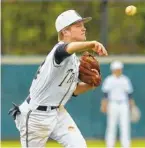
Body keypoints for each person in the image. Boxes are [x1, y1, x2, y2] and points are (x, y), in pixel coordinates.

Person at [9, 10, 108, 148]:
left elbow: (72, 90)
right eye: (78, 26)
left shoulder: (73, 60)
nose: (84, 28)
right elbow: (66, 49)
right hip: (36, 116)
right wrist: (92, 44)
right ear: (65, 31)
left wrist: (91, 85)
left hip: (58, 112)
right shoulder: (59, 52)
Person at [101, 60, 136, 148]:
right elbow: (105, 94)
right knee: (111, 126)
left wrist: (132, 106)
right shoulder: (109, 80)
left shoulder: (125, 79)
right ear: (112, 69)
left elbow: (129, 95)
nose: (118, 70)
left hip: (124, 104)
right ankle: (109, 146)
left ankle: (126, 146)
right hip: (112, 104)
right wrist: (104, 105)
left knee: (125, 126)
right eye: (116, 69)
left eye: (119, 69)